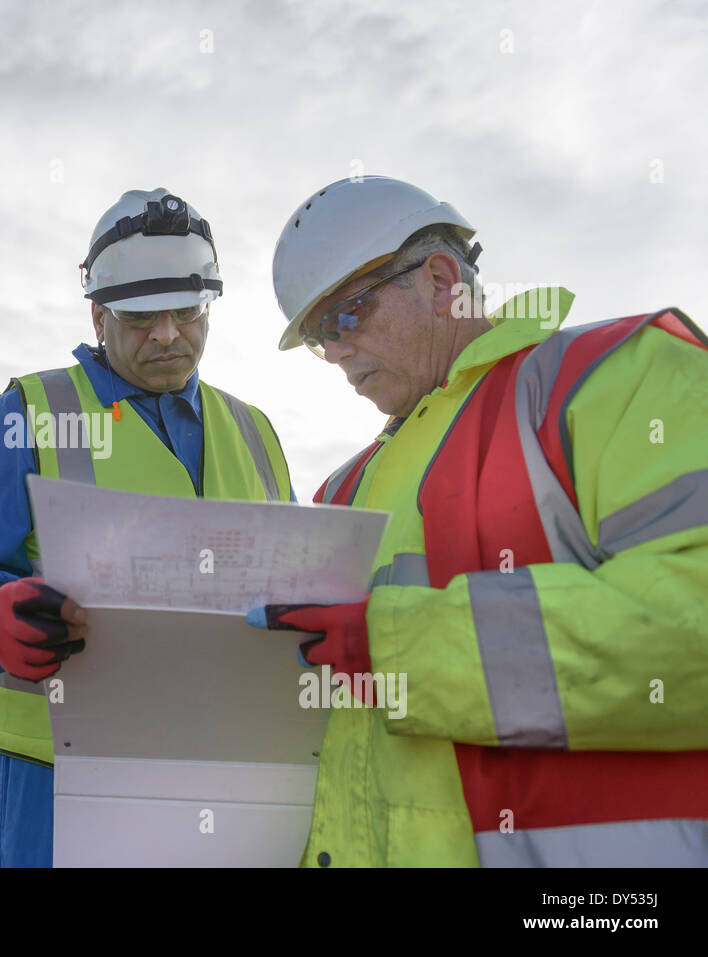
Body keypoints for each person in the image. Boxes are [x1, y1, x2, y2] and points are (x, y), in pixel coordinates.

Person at [249, 175, 708, 866]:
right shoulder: (341, 490)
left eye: (344, 316)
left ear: (439, 280)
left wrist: (399, 647)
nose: (336, 351)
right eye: (318, 336)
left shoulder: (615, 377)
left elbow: (691, 623)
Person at [0, 188, 295, 867]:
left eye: (188, 311)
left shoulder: (255, 431)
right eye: (142, 316)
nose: (168, 334)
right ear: (98, 314)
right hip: (56, 786)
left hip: (228, 774)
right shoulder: (32, 410)